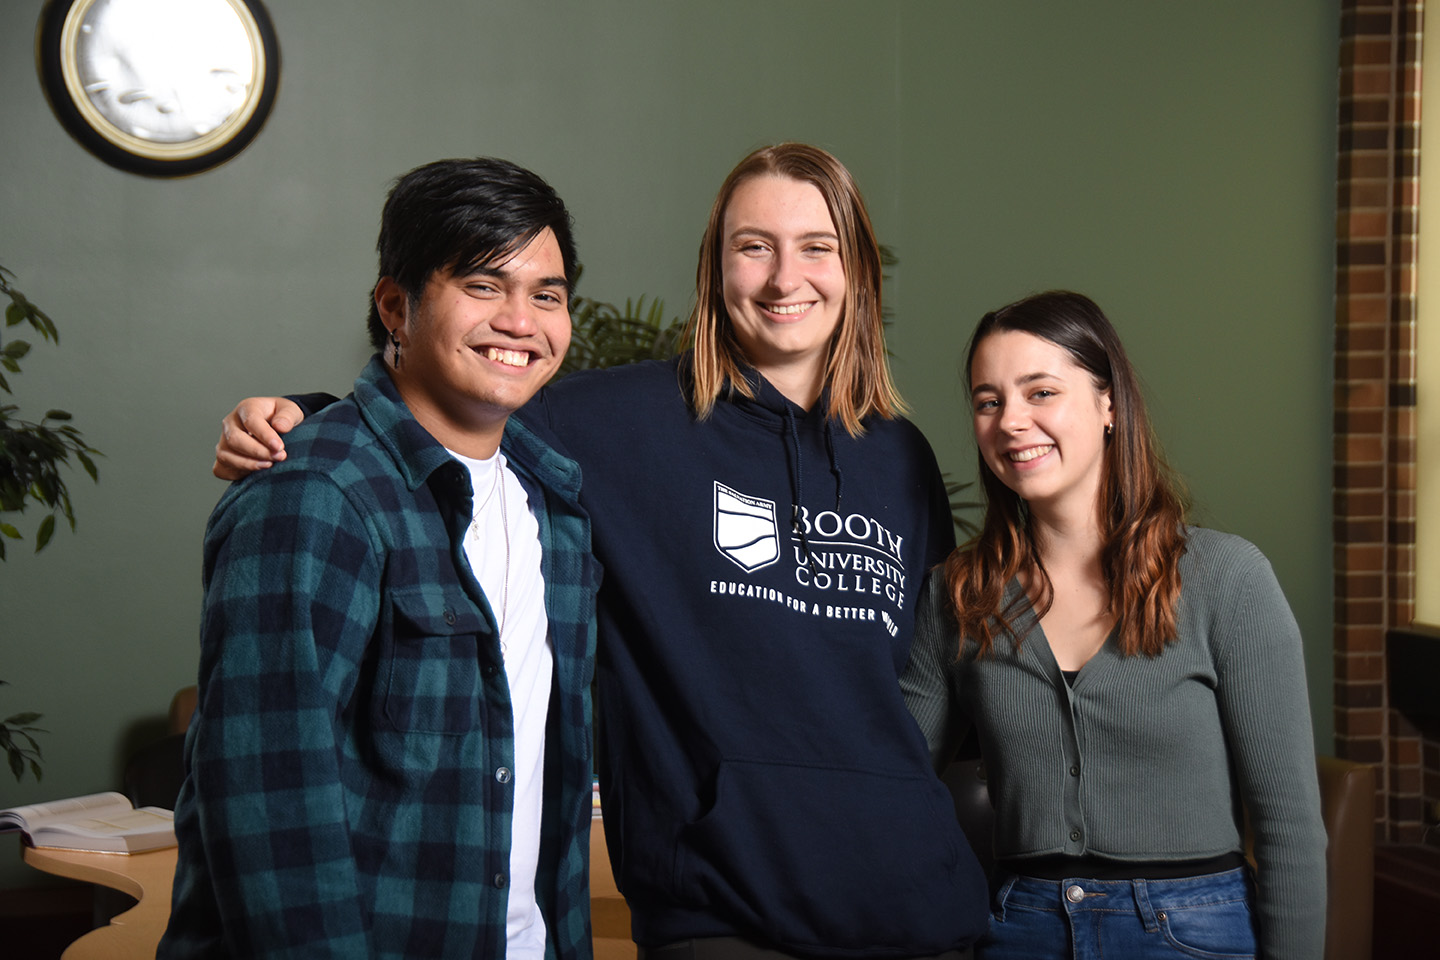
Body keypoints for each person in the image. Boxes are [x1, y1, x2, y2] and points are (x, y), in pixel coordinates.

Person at [211, 143, 992, 960]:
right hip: (725, 905)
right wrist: (303, 420)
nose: (783, 278)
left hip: (920, 898)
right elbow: (451, 408)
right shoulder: (614, 423)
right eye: (753, 246)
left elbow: (918, 684)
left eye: (817, 247)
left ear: (858, 270)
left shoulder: (901, 457)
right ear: (714, 268)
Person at [160, 158, 600, 959]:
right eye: (482, 286)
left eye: (547, 294)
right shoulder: (313, 496)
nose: (520, 321)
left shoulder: (555, 501)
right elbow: (269, 811)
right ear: (396, 305)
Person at [900, 290, 1326, 960]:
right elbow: (891, 780)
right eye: (989, 401)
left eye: (1041, 392)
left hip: (1194, 931)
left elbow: (1289, 825)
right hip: (1018, 928)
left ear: (1109, 405)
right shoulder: (957, 593)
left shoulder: (1228, 580)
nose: (1012, 421)